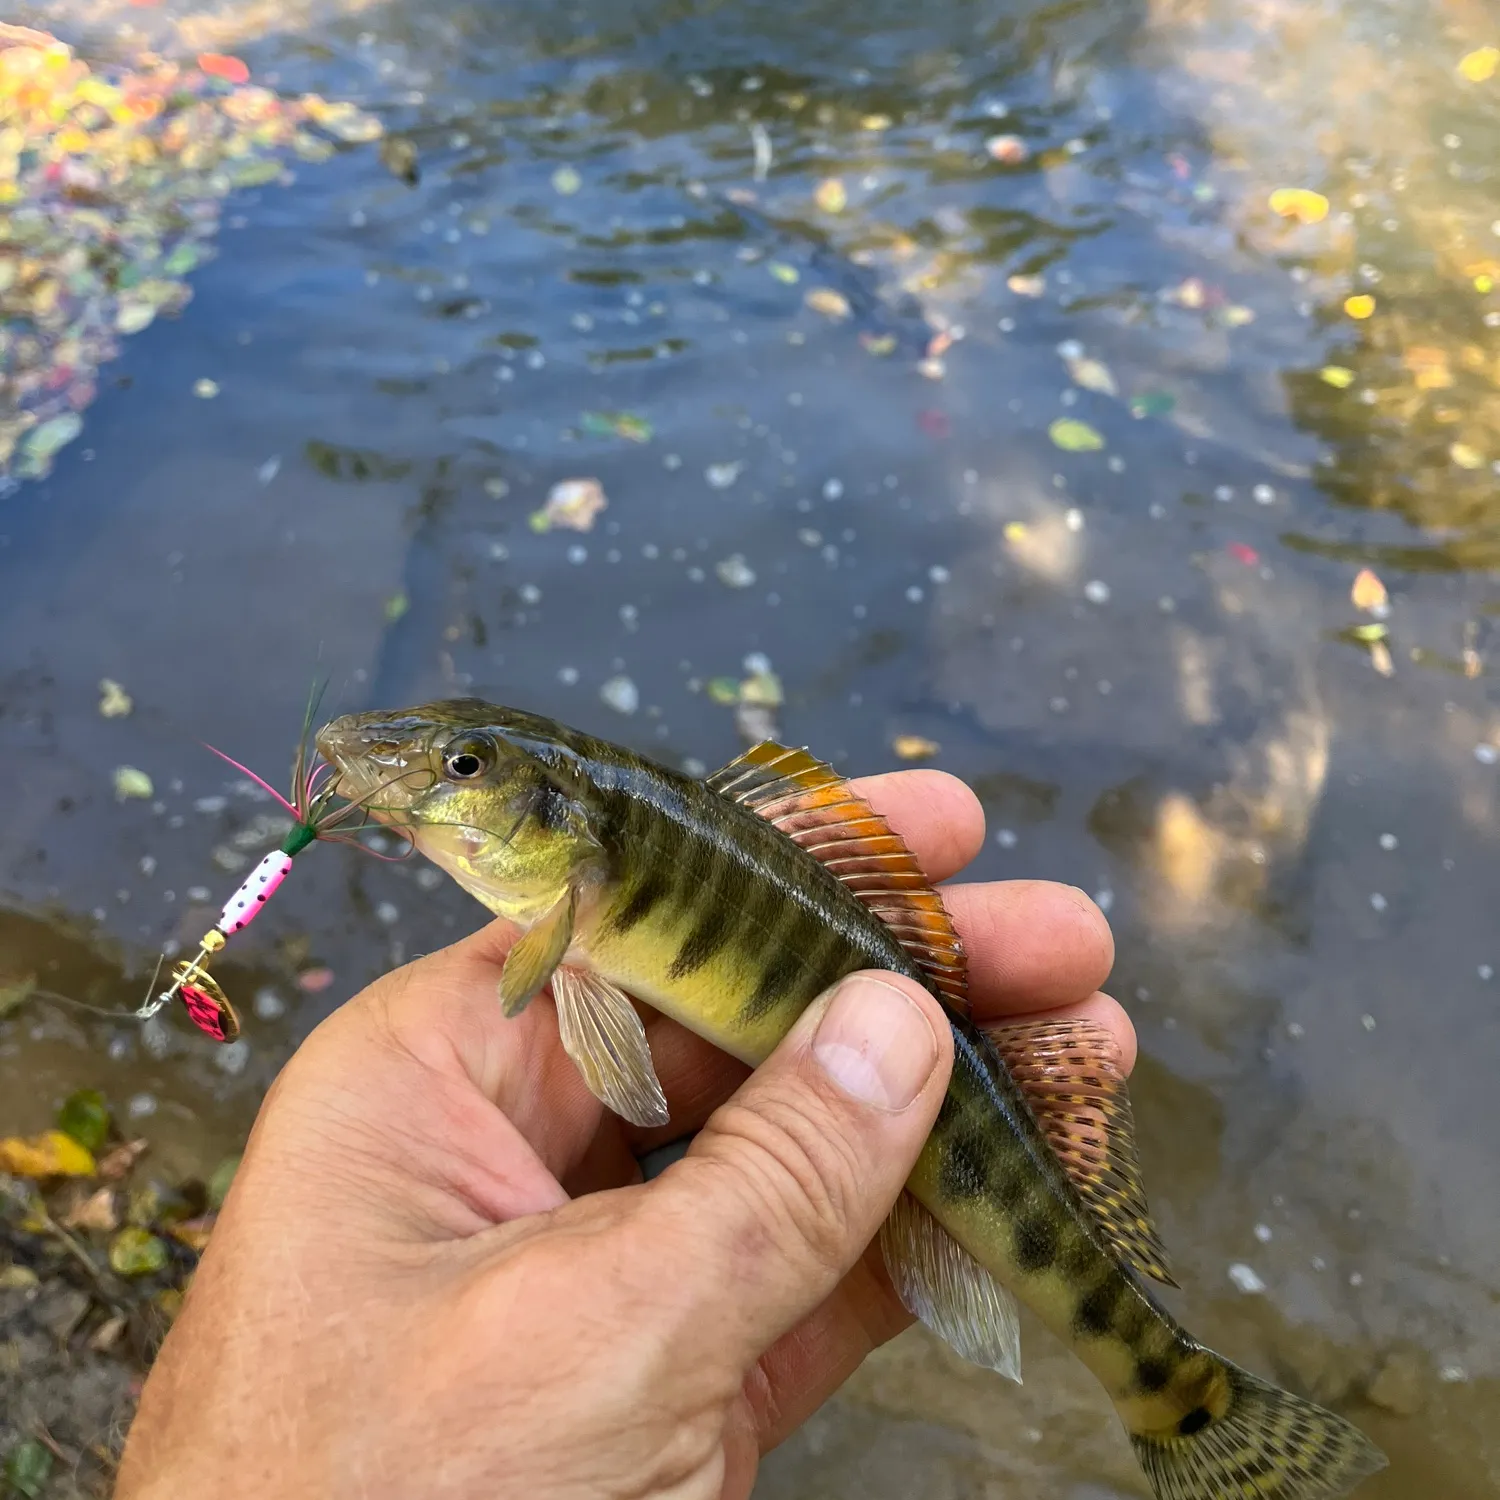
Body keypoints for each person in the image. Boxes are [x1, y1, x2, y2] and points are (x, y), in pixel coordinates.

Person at [116, 769, 1124, 1500]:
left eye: (464, 767)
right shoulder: (566, 920)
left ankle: (1171, 1397)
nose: (426, 777)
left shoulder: (579, 919)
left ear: (572, 828)